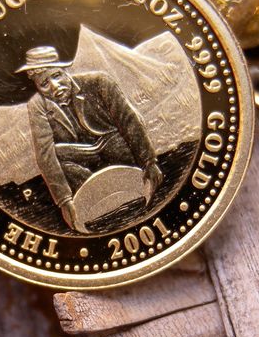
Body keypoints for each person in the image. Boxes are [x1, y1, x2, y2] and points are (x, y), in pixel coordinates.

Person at [16, 45, 163, 232]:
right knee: (60, 157)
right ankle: (97, 203)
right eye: (44, 84)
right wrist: (64, 200)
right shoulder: (37, 105)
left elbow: (130, 121)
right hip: (80, 160)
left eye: (56, 76)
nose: (54, 86)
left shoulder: (100, 82)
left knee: (119, 145)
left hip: (114, 147)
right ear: (37, 86)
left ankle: (130, 186)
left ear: (65, 71)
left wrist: (149, 161)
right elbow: (45, 153)